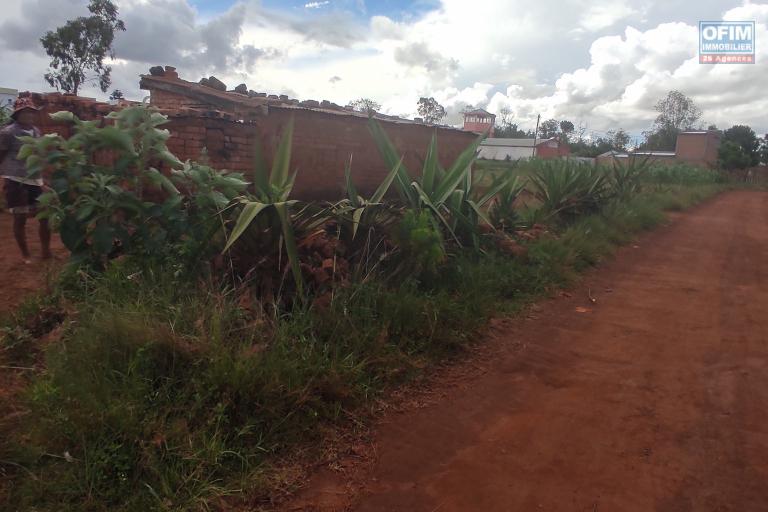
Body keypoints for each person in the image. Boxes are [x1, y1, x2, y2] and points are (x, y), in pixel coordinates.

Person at [0, 97, 51, 263]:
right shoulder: (8, 132)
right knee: (20, 218)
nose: (29, 115)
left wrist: (43, 181)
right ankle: (26, 255)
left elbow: (39, 156)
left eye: (31, 112)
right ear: (17, 114)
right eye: (25, 112)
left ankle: (46, 252)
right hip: (16, 179)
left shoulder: (36, 132)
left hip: (35, 180)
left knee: (45, 216)